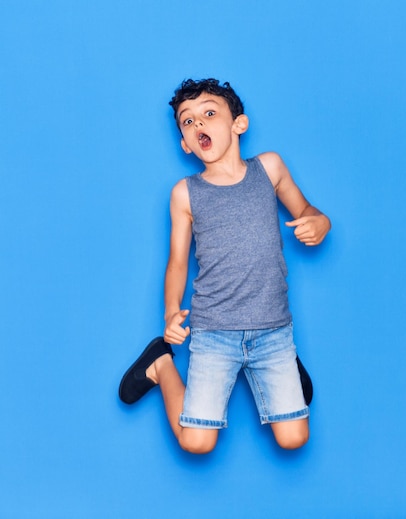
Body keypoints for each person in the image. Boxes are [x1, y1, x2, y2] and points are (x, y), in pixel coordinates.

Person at [119, 78, 331, 454]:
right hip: (214, 332)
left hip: (272, 329)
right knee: (196, 442)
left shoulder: (270, 167)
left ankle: (284, 366)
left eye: (210, 113)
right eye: (188, 121)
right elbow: (177, 262)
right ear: (185, 145)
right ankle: (160, 364)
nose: (198, 124)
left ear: (238, 124)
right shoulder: (185, 193)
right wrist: (171, 313)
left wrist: (320, 222)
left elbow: (306, 210)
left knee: (294, 439)